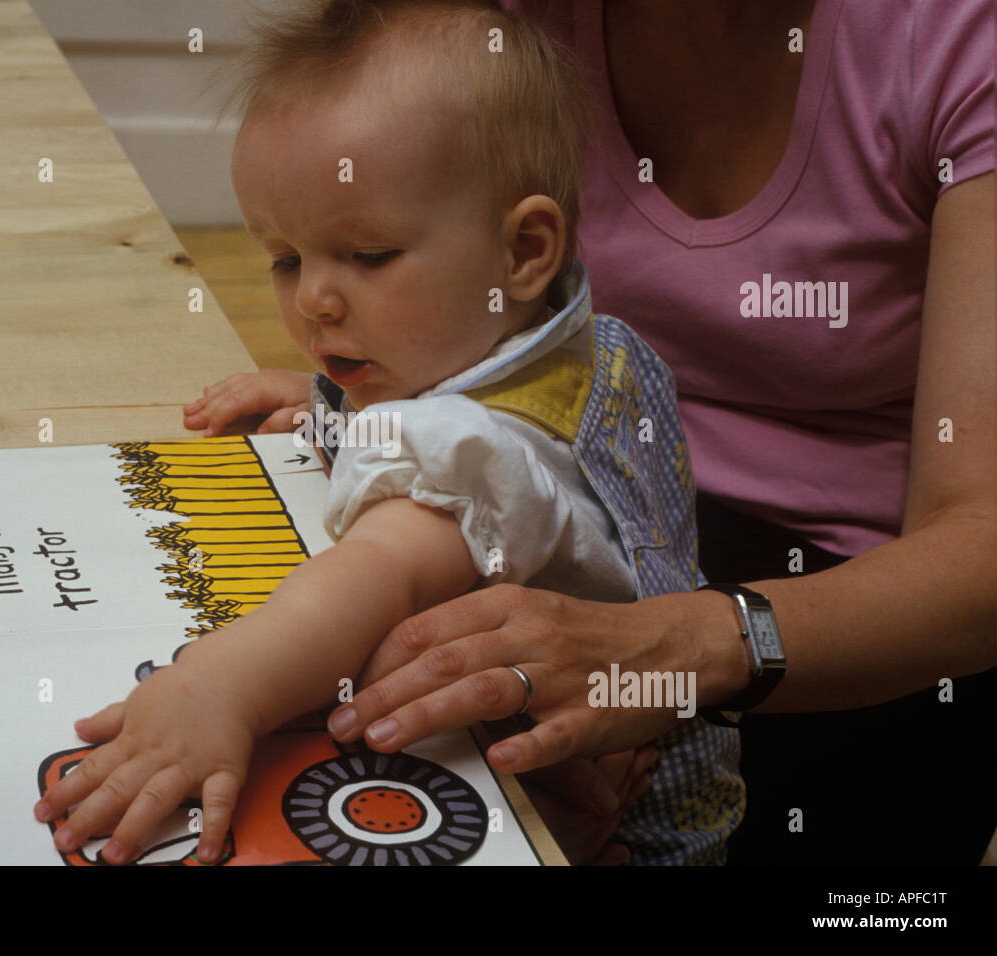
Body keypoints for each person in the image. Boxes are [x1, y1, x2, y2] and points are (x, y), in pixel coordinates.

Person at [35, 0, 744, 865]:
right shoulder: (580, 347)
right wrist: (334, 399)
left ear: (523, 250)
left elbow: (377, 572)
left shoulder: (466, 455)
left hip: (595, 805)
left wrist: (217, 686)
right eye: (288, 258)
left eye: (367, 256)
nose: (314, 300)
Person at [314, 0, 995, 865]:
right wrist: (390, 366)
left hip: (863, 622)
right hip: (586, 502)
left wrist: (677, 649)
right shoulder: (492, 25)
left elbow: (984, 547)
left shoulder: (957, 40)